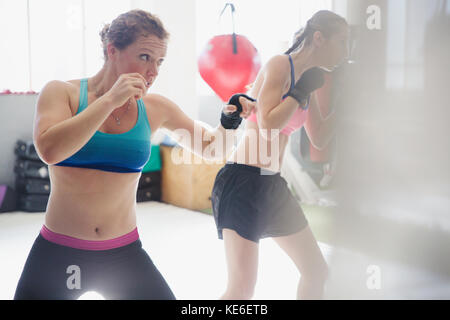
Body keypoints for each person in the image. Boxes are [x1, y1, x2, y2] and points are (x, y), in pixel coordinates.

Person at [14, 9, 255, 300]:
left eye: (159, 61)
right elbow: (49, 150)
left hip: (123, 255)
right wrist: (109, 100)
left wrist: (230, 120)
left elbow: (212, 149)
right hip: (60, 252)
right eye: (144, 57)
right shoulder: (61, 93)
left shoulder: (155, 108)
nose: (153, 71)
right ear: (112, 50)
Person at [211, 10, 349, 300]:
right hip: (243, 181)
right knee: (241, 291)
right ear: (319, 38)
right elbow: (268, 124)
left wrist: (347, 101)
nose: (345, 51)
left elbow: (319, 137)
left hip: (272, 184)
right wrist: (299, 92)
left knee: (316, 271)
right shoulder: (279, 65)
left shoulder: (308, 82)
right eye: (341, 42)